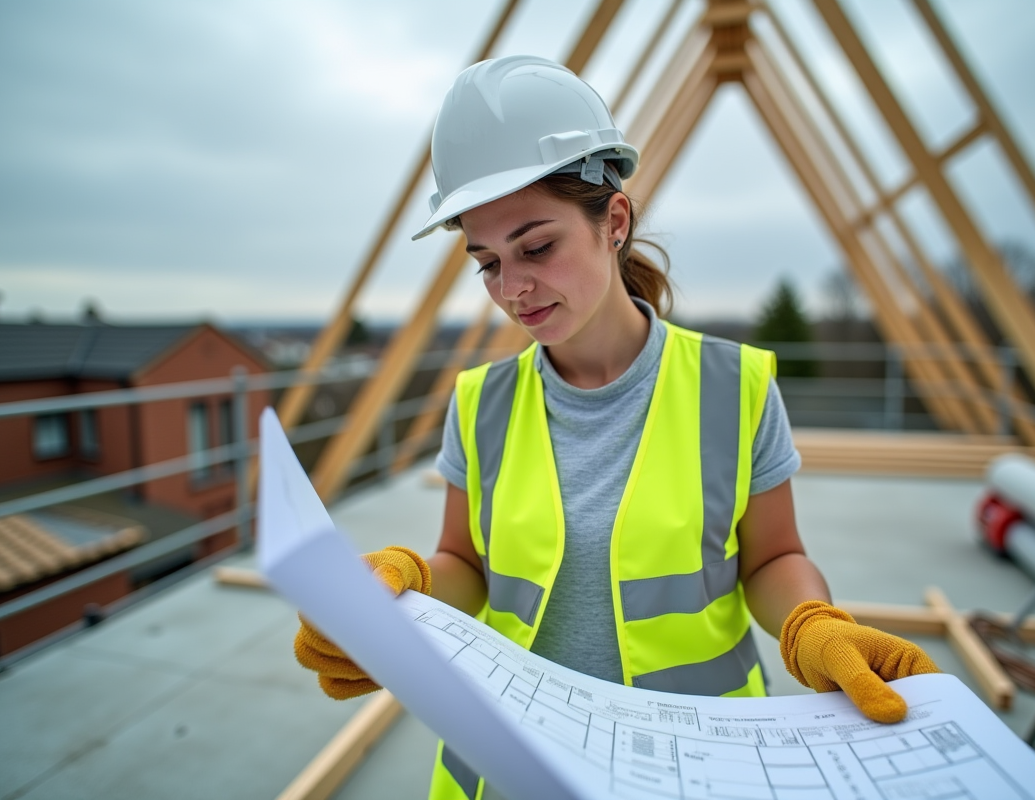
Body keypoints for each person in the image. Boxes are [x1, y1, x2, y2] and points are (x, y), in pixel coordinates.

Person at [294, 55, 939, 800]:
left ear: (615, 221)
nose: (512, 288)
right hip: (511, 767)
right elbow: (466, 566)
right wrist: (399, 585)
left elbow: (770, 560)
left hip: (695, 768)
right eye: (487, 262)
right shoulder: (480, 402)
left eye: (537, 247)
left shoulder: (734, 388)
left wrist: (809, 625)